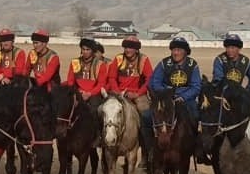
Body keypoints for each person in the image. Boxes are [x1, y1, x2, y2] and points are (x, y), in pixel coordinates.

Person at [140, 37, 202, 163]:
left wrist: (183, 96)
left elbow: (196, 87)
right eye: (173, 50)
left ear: (185, 52)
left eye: (179, 50)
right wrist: (167, 94)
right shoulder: (164, 64)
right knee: (146, 117)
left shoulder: (192, 65)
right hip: (165, 99)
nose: (175, 53)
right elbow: (155, 82)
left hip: (185, 99)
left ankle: (196, 149)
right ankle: (149, 149)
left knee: (196, 116)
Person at [107, 36, 154, 166]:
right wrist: (117, 92)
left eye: (131, 48)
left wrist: (138, 93)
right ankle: (101, 138)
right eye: (126, 47)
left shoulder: (144, 60)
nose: (127, 50)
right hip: (118, 92)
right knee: (104, 109)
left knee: (145, 113)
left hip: (137, 94)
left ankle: (146, 150)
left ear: (136, 50)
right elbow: (111, 77)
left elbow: (149, 79)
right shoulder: (118, 59)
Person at [64, 37, 108, 112]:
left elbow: (101, 84)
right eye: (83, 49)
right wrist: (78, 92)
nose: (85, 52)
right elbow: (70, 81)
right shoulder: (75, 62)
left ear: (92, 51)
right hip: (77, 92)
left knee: (94, 109)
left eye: (88, 50)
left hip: (93, 94)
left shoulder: (100, 64)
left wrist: (89, 93)